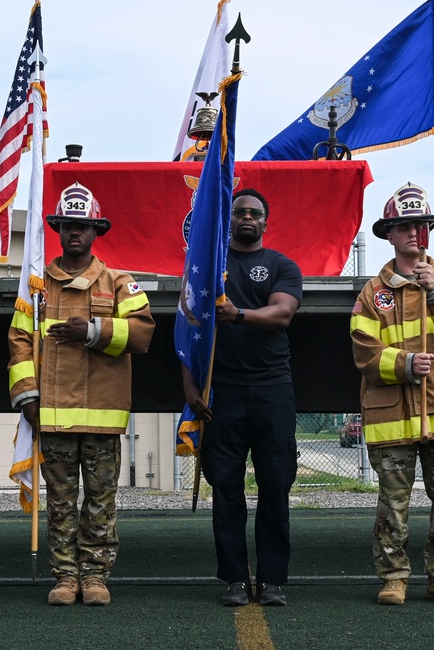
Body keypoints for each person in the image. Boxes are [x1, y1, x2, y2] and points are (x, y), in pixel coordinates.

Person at [8, 182, 155, 607]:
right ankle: (65, 577)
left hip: (102, 418)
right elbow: (18, 342)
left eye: (84, 226)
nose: (76, 232)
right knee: (60, 502)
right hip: (51, 414)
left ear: (97, 232)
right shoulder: (36, 289)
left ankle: (95, 577)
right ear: (56, 229)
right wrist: (27, 397)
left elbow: (143, 335)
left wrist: (91, 332)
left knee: (100, 502)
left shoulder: (119, 283)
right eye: (68, 225)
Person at [351, 182, 434, 606]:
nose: (414, 233)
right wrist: (406, 365)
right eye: (405, 226)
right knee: (393, 505)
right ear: (388, 234)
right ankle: (394, 578)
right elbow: (363, 351)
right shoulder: (374, 294)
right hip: (392, 418)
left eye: (422, 225)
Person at [181, 188, 303, 607]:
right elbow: (189, 325)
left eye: (255, 213)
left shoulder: (281, 265)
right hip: (223, 393)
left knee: (275, 486)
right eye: (239, 212)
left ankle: (271, 580)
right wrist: (189, 384)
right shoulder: (209, 267)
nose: (247, 217)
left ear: (266, 222)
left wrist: (240, 315)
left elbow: (283, 313)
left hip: (272, 390)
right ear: (228, 219)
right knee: (227, 489)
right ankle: (235, 578)